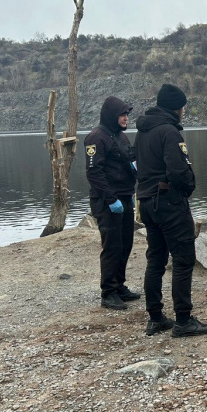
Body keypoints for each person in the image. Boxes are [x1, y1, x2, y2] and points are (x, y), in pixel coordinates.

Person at [134, 84, 207, 338]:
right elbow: (179, 171)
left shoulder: (143, 132)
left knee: (155, 259)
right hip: (168, 202)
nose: (183, 112)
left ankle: (155, 317)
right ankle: (183, 319)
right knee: (182, 258)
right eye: (183, 108)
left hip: (147, 201)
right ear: (176, 108)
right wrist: (188, 188)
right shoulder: (169, 132)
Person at [84, 96, 140, 311]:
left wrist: (134, 178)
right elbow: (94, 173)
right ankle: (108, 292)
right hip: (107, 201)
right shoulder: (96, 138)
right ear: (111, 116)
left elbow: (129, 160)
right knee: (112, 246)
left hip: (125, 196)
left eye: (127, 114)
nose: (126, 118)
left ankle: (119, 285)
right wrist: (110, 199)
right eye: (122, 114)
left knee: (126, 243)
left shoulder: (121, 137)